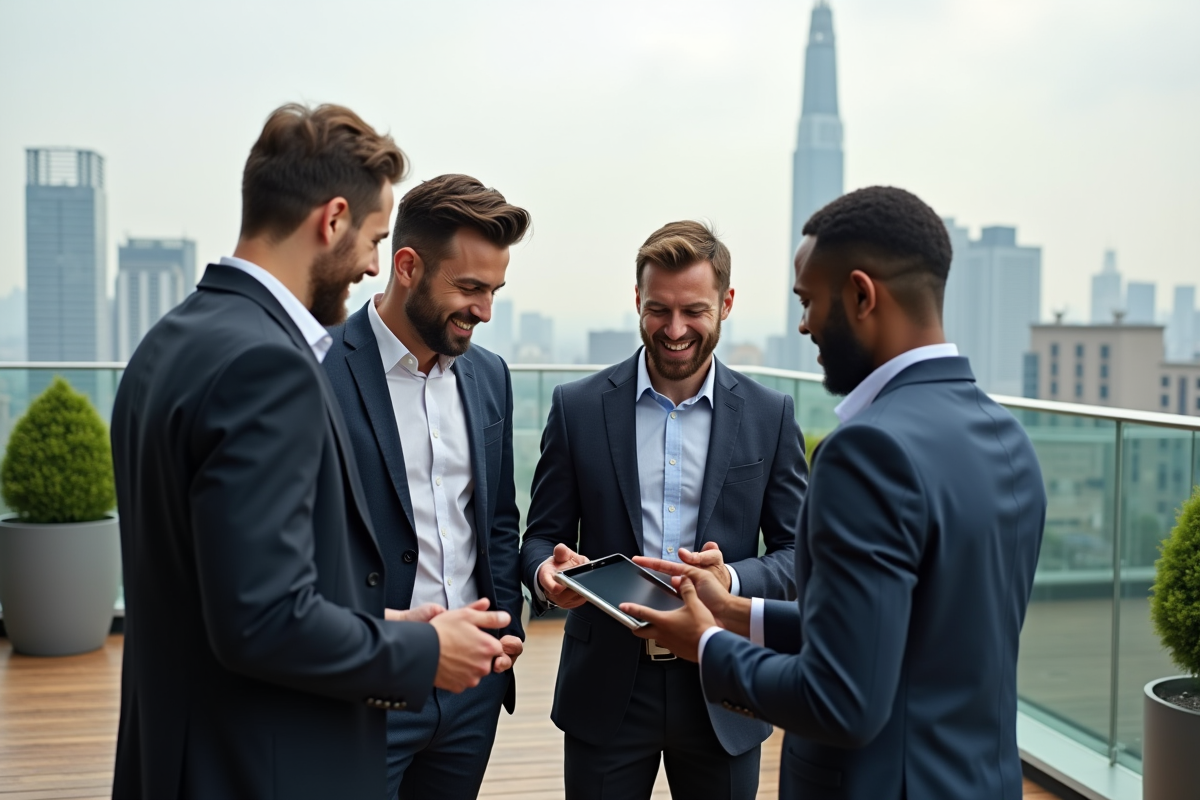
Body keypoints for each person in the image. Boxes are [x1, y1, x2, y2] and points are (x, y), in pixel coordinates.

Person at [110, 104, 510, 800]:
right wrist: (422, 649)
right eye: (373, 238)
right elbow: (263, 621)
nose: (370, 265)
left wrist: (375, 622)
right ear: (332, 221)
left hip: (176, 752)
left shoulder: (171, 340)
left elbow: (224, 587)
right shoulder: (271, 366)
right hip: (255, 761)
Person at [624, 186, 1048, 800]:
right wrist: (736, 613)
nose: (803, 325)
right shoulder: (1007, 437)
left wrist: (708, 644)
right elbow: (909, 634)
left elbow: (842, 699)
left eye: (809, 302)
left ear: (860, 295)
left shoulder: (867, 452)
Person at [519, 221, 809, 800]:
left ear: (726, 304)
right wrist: (548, 578)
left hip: (722, 686)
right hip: (605, 687)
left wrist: (728, 578)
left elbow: (797, 554)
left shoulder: (770, 414)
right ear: (637, 302)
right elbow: (538, 537)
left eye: (694, 311)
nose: (675, 330)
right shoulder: (576, 408)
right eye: (659, 310)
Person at [323, 174, 531, 799]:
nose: (485, 311)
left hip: (472, 694)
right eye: (469, 287)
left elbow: (496, 520)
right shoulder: (318, 368)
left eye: (494, 290)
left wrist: (503, 629)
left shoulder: (489, 376)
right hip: (365, 691)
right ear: (407, 266)